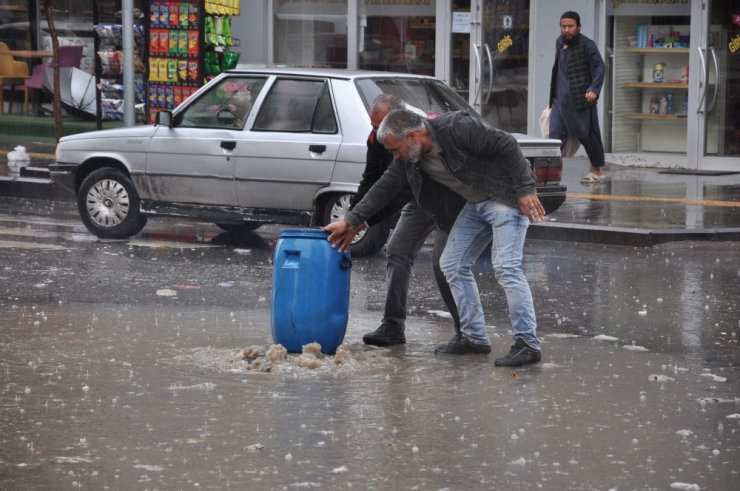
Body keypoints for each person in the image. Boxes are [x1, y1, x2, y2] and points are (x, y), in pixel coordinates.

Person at [324, 109, 544, 367]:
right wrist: (351, 221)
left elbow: (506, 144)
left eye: (396, 150)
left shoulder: (456, 128)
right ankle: (474, 337)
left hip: (505, 198)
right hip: (475, 205)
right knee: (451, 264)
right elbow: (384, 188)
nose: (395, 157)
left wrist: (526, 189)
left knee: (507, 267)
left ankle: (527, 343)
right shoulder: (409, 159)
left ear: (413, 136)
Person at [349, 94, 462, 347]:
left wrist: (362, 220)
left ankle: (466, 331)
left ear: (398, 119)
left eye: (380, 126)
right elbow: (373, 180)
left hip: (449, 200)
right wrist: (352, 219)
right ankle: (392, 326)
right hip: (419, 201)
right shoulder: (376, 138)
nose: (376, 132)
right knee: (397, 250)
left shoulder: (417, 132)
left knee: (445, 265)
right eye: (374, 126)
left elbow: (399, 190)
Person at [548, 10, 606, 184]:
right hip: (560, 101)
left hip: (581, 100)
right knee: (554, 139)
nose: (567, 30)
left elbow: (600, 67)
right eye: (564, 26)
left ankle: (596, 169)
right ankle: (549, 176)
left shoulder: (587, 45)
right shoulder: (559, 42)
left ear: (578, 27)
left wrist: (594, 89)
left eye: (571, 26)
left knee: (587, 136)